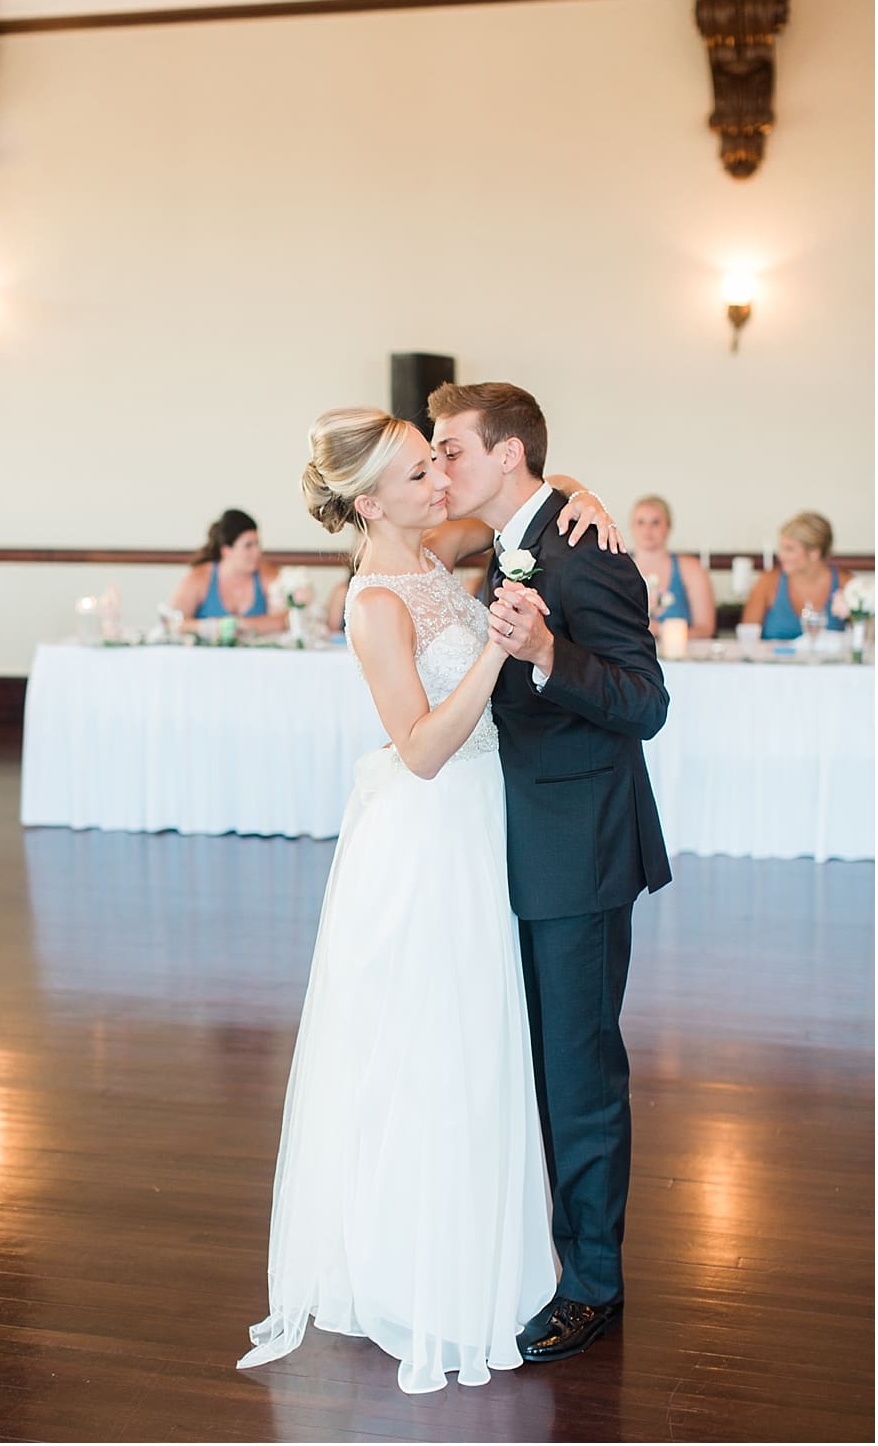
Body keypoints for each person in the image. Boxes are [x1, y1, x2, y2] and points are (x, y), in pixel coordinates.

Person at [240, 395, 638, 1393]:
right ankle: (417, 1267)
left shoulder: (440, 549)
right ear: (373, 502)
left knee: (484, 1043)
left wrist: (583, 492)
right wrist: (505, 647)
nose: (440, 481)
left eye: (441, 460)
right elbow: (419, 748)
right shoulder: (376, 600)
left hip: (488, 830)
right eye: (421, 470)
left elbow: (530, 502)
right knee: (424, 1050)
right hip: (430, 830)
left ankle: (508, 1250)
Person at [438, 382, 668, 1363]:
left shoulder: (585, 548)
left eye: (452, 450)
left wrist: (546, 651)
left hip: (579, 847)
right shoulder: (506, 540)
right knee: (523, 1055)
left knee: (578, 1069)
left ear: (507, 457)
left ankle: (592, 1285)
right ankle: (540, 1244)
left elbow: (645, 701)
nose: (441, 467)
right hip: (508, 840)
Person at [166, 509, 284, 636]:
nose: (257, 552)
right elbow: (171, 621)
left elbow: (284, 620)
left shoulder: (268, 575)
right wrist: (214, 628)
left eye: (257, 544)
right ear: (226, 550)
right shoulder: (200, 577)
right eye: (248, 546)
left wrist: (239, 625)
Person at [743, 510, 847, 641]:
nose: (781, 555)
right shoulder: (768, 582)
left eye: (789, 549)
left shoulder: (845, 584)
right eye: (781, 548)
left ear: (814, 552)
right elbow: (747, 637)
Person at [627, 495, 715, 639]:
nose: (647, 529)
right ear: (631, 527)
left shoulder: (691, 569)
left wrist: (661, 630)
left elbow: (705, 628)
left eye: (655, 522)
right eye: (640, 522)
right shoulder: (616, 567)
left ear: (668, 527)